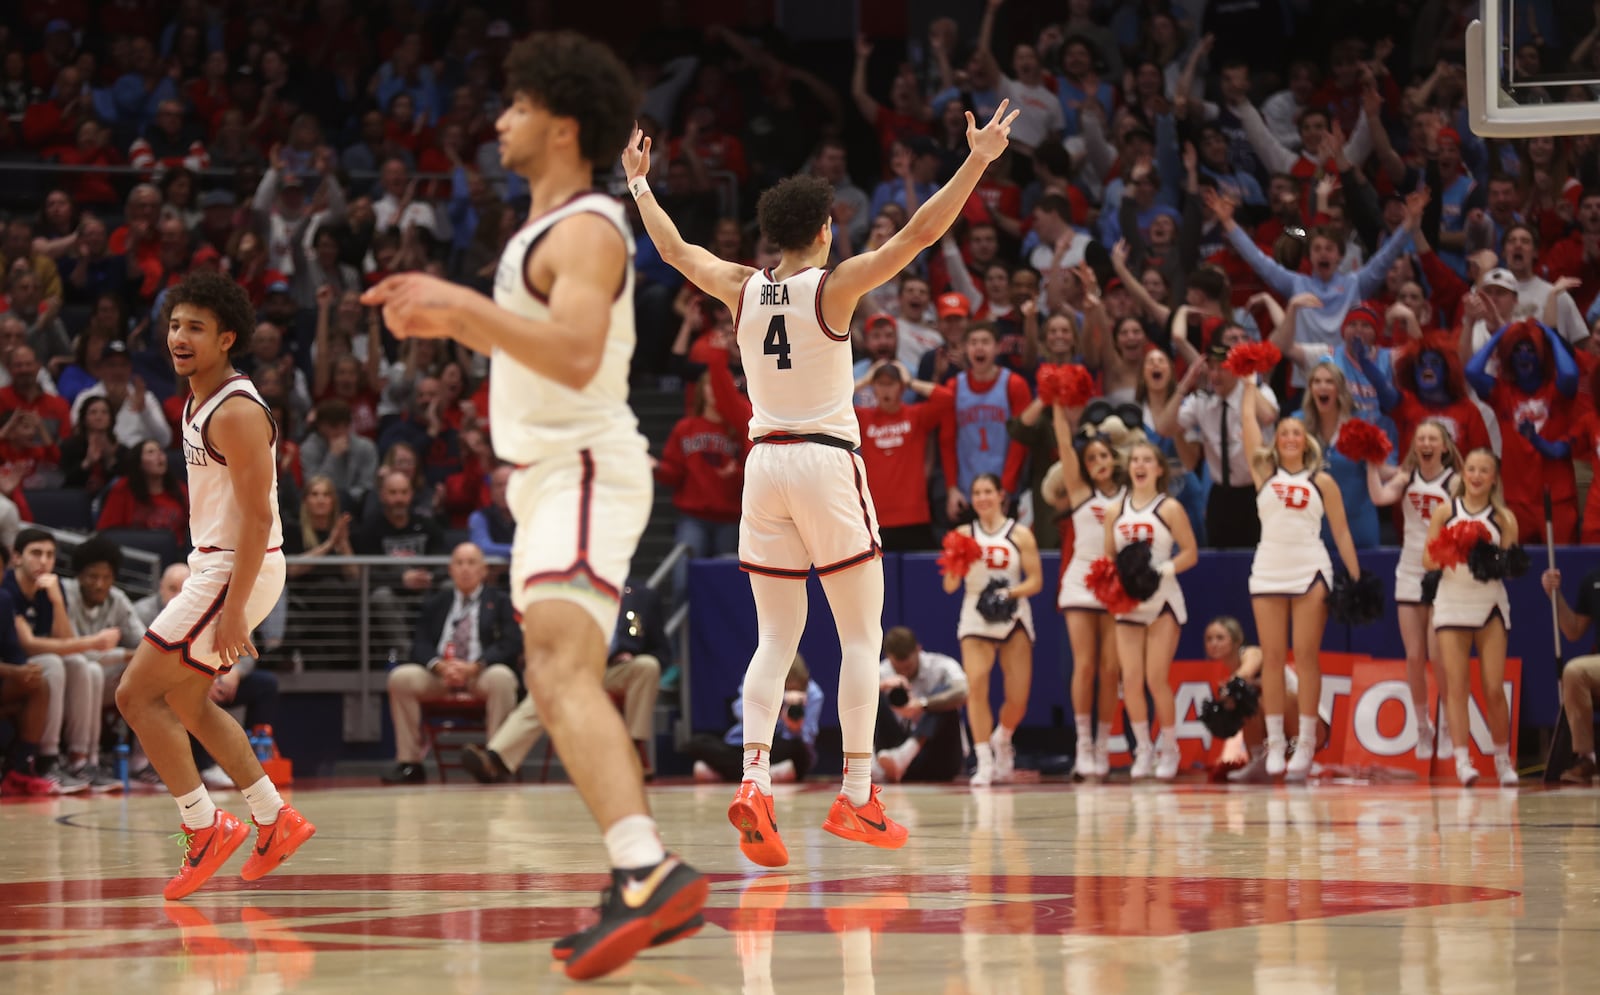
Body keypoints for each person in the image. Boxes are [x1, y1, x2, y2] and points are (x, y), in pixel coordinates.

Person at [359, 34, 705, 979]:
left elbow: (576, 353)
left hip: (584, 465)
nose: (498, 120)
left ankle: (648, 869)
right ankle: (636, 871)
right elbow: (535, 343)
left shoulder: (590, 226)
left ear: (560, 124)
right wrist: (450, 316)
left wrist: (457, 308)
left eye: (514, 106)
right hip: (554, 475)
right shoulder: (539, 233)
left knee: (556, 667)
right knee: (560, 674)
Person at [620, 78, 1018, 862]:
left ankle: (755, 780)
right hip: (827, 462)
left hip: (763, 467)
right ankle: (858, 796)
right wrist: (974, 164)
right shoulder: (833, 287)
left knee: (775, 638)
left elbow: (670, 250)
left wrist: (638, 182)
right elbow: (920, 235)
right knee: (861, 634)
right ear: (826, 231)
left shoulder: (742, 286)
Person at [113, 271, 314, 902]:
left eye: (195, 327)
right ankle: (273, 817)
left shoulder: (236, 411)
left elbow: (258, 519)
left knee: (135, 695)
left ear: (226, 338)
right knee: (189, 704)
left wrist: (233, 612)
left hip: (237, 566)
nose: (179, 336)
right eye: (175, 324)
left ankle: (204, 828)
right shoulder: (199, 398)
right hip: (219, 564)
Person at [1241, 374, 1363, 781]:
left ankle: (1307, 744)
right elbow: (1248, 431)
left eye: (1297, 432)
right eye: (1284, 432)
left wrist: (1356, 575)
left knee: (1306, 657)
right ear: (1276, 441)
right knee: (1272, 660)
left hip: (1311, 568)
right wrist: (1247, 387)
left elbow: (1342, 530)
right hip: (1269, 568)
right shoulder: (1264, 476)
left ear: (1306, 440)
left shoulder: (1321, 481)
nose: (1290, 437)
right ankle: (1276, 743)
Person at [462, 579, 667, 784]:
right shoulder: (569, 591)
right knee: (543, 694)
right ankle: (495, 759)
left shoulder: (641, 597)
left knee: (648, 665)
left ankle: (632, 750)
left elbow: (661, 651)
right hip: (574, 670)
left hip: (616, 670)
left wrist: (631, 652)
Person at [381, 542, 520, 784]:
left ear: (484, 570)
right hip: (441, 674)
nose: (465, 569)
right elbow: (420, 644)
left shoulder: (499, 601)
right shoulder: (437, 602)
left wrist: (475, 666)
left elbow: (510, 643)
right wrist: (439, 665)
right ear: (450, 569)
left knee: (503, 678)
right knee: (400, 678)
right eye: (460, 563)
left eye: (471, 563)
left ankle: (494, 761)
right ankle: (410, 763)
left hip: (480, 673)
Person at [1367, 421, 1462, 760]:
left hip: (1442, 573)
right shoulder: (1406, 478)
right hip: (1408, 570)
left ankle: (1449, 725)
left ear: (1445, 447)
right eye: (1420, 437)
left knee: (1438, 657)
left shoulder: (1455, 483)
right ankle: (1423, 727)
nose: (1425, 442)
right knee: (1413, 656)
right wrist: (1369, 464)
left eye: (1432, 438)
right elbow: (1379, 496)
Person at [1423, 449, 1519, 788]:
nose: (1476, 476)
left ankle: (1503, 760)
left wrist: (1482, 553)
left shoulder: (1504, 518)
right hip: (1451, 604)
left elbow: (1511, 564)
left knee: (1494, 687)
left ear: (1493, 478)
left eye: (1484, 471)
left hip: (1489, 605)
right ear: (1464, 475)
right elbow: (1427, 559)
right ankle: (1463, 762)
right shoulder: (1446, 511)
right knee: (1457, 686)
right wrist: (1453, 547)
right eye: (1472, 469)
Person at [1104, 441, 1198, 780]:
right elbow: (1108, 559)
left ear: (1159, 469)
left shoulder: (1169, 508)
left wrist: (1160, 572)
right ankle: (1143, 748)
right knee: (1129, 680)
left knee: (1156, 678)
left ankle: (1169, 747)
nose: (1140, 465)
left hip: (1163, 601)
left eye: (1147, 460)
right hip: (1128, 604)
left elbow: (1190, 552)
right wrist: (1115, 586)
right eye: (1135, 460)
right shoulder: (1115, 512)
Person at [2, 529, 121, 794]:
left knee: (84, 666)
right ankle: (47, 758)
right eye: (36, 553)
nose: (43, 561)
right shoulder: (8, 586)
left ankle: (82, 759)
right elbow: (28, 644)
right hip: (18, 664)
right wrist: (93, 642)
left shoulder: (52, 588)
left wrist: (56, 600)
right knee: (54, 664)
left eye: (50, 555)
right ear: (17, 557)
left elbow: (67, 643)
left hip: (40, 661)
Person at [942, 473, 1042, 786]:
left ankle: (1003, 736)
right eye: (977, 492)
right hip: (975, 614)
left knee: (1018, 697)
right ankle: (984, 759)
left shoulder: (1021, 534)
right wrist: (957, 562)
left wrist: (1009, 594)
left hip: (1013, 614)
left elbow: (1035, 580)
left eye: (988, 491)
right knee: (977, 687)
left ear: (1001, 495)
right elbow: (948, 586)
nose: (983, 497)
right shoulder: (961, 534)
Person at [1045, 405, 1125, 780]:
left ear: (1114, 459)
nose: (1097, 462)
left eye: (1103, 455)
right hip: (1080, 580)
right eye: (1090, 457)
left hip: (1116, 583)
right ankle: (1082, 744)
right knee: (1086, 665)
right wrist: (1059, 402)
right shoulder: (1079, 492)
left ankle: (1103, 743)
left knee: (1111, 670)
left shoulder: (1128, 496)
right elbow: (1064, 442)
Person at [58, 534, 144, 788]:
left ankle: (144, 762)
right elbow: (74, 651)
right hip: (67, 677)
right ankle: (81, 759)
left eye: (106, 578)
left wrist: (132, 659)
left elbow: (146, 643)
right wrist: (124, 655)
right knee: (90, 669)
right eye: (92, 576)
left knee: (150, 673)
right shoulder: (64, 595)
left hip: (100, 679)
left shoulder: (117, 599)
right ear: (79, 575)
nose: (99, 584)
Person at [687, 655, 823, 784]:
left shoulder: (813, 693)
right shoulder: (756, 679)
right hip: (746, 746)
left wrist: (794, 728)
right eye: (786, 687)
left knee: (799, 751)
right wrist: (779, 701)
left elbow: (807, 741)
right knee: (697, 743)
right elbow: (740, 711)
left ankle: (733, 774)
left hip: (780, 747)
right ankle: (766, 774)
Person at [873, 626, 968, 783]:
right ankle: (880, 761)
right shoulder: (881, 671)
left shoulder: (941, 666)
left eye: (908, 667)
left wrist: (923, 705)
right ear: (888, 657)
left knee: (943, 693)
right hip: (892, 759)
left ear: (918, 650)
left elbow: (963, 691)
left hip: (940, 759)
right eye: (898, 668)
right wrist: (882, 686)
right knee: (871, 694)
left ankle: (907, 752)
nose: (904, 672)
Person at [1539, 566, 1600, 785]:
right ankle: (1586, 757)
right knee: (1575, 671)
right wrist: (1554, 595)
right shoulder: (1593, 579)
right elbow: (1573, 630)